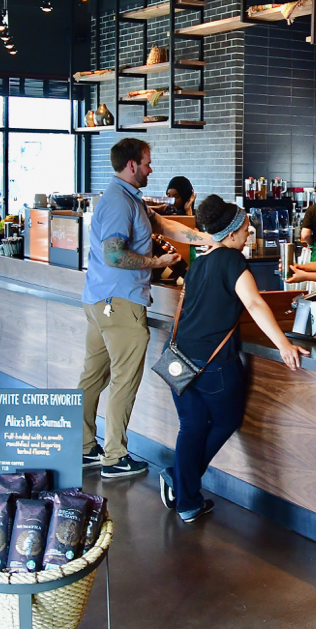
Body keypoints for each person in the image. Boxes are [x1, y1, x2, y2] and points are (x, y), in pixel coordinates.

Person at [159, 195, 310, 522]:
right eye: (244, 228)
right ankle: (180, 484)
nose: (249, 232)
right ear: (229, 234)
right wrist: (283, 344)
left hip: (179, 358)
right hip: (215, 365)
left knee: (191, 427)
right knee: (225, 421)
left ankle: (186, 498)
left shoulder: (200, 260)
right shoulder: (232, 261)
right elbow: (254, 304)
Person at [79, 138, 212, 479]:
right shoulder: (120, 203)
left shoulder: (127, 198)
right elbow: (113, 254)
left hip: (101, 299)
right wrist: (157, 261)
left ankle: (83, 448)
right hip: (120, 302)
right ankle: (114, 457)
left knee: (93, 376)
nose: (152, 169)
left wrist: (206, 239)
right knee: (124, 379)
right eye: (148, 162)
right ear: (132, 165)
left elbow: (165, 225)